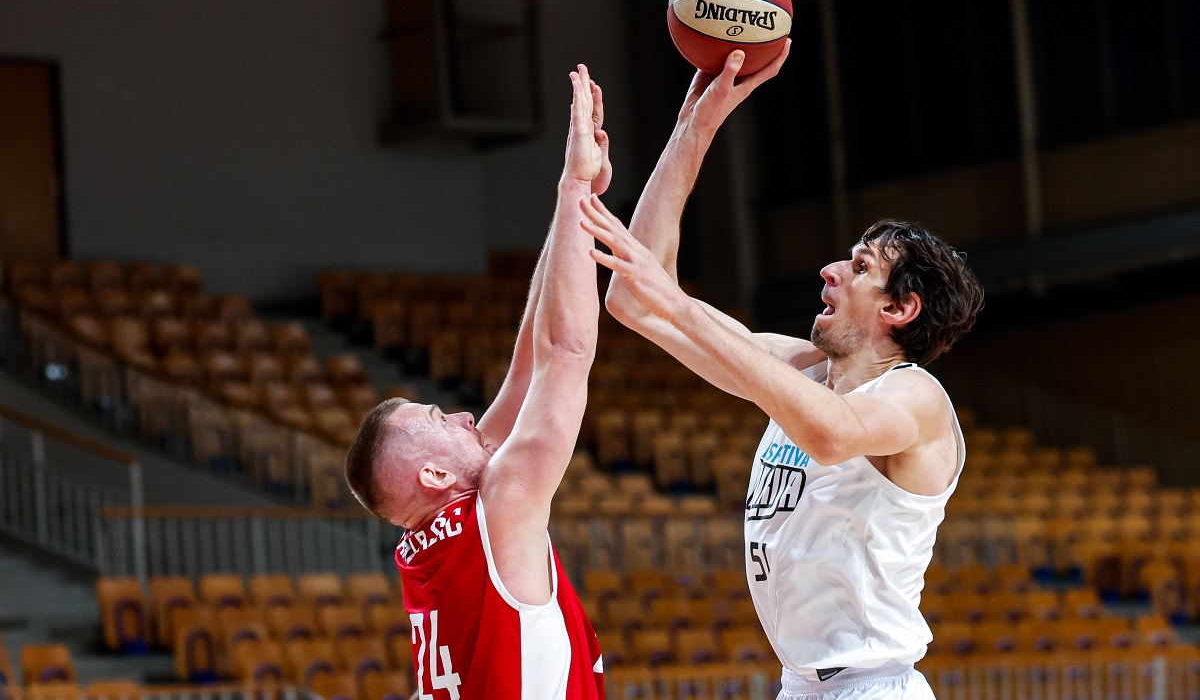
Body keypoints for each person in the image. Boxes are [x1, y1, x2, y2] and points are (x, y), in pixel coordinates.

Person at [579, 45, 985, 699]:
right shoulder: (806, 370)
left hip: (872, 688)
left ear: (900, 308)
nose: (830, 269)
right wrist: (694, 129)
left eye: (858, 266)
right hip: (800, 685)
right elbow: (633, 301)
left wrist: (681, 304)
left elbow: (832, 434)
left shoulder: (914, 398)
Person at [344, 64, 612, 699]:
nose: (465, 417)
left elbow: (527, 363)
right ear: (433, 476)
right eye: (440, 421)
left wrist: (572, 197)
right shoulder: (502, 507)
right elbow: (567, 352)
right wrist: (576, 184)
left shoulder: (422, 548)